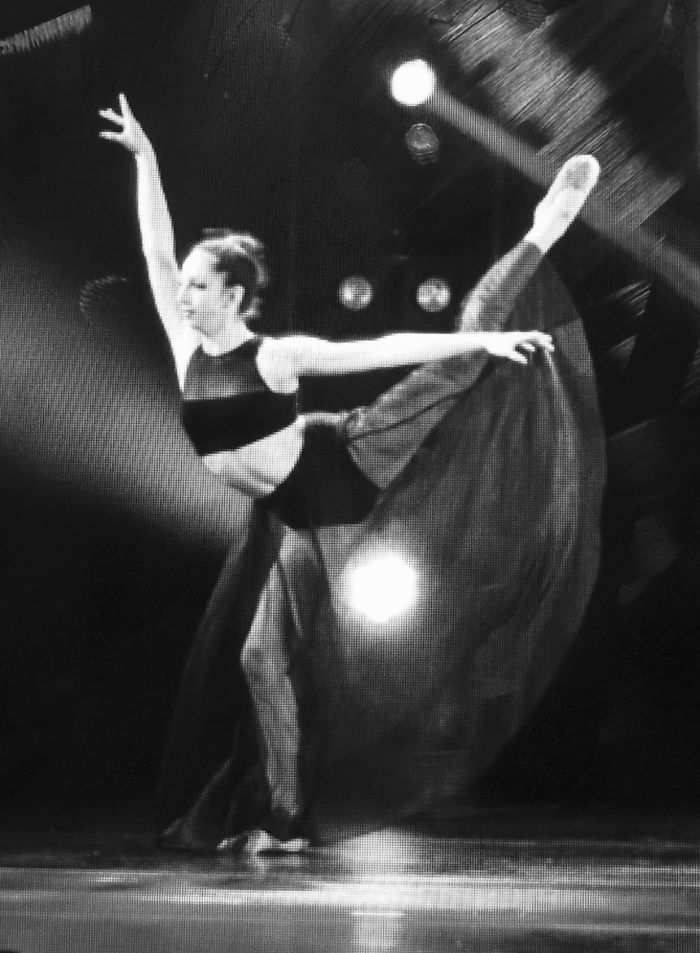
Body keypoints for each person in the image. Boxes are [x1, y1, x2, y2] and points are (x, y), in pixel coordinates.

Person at [100, 94, 603, 852]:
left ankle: (542, 232)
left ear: (233, 294)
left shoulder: (273, 355)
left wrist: (478, 349)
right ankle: (285, 819)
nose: (183, 291)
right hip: (291, 514)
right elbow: (154, 250)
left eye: (199, 285)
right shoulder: (185, 347)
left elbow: (381, 351)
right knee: (260, 657)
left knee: (454, 360)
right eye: (188, 284)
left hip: (343, 459)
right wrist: (148, 160)